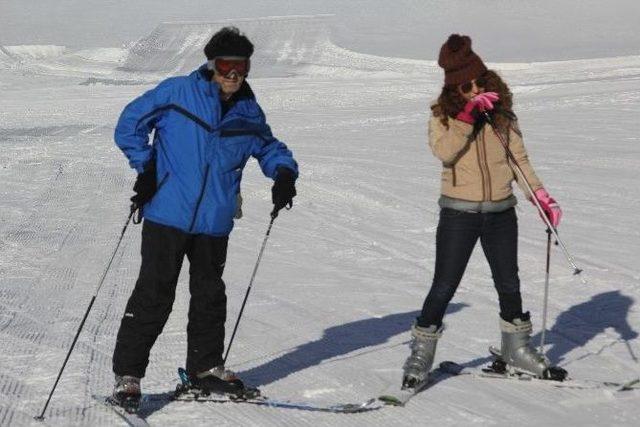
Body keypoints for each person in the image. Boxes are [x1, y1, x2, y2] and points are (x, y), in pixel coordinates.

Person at [110, 26, 298, 411]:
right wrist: (147, 167)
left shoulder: (249, 109)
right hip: (168, 212)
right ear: (212, 64)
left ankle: (205, 368)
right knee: (154, 293)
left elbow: (267, 145)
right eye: (226, 65)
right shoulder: (178, 92)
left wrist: (283, 172)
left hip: (214, 220)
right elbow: (129, 124)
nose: (233, 75)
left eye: (241, 66)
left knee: (210, 295)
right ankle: (128, 376)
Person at [402, 34, 565, 389]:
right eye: (464, 87)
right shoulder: (441, 115)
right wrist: (465, 117)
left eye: (478, 82)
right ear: (452, 89)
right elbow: (444, 152)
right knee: (444, 285)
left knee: (509, 282)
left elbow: (518, 160)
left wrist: (541, 197)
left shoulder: (502, 113)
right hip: (459, 214)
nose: (473, 90)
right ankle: (420, 354)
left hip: (501, 212)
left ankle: (516, 349)